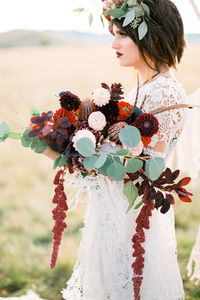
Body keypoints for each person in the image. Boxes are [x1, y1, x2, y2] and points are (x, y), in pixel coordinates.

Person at [44, 0, 187, 299]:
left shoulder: (164, 90)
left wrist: (70, 156)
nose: (113, 44)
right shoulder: (145, 85)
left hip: (134, 220)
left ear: (152, 36)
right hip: (115, 214)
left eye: (122, 34)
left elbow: (141, 169)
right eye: (113, 34)